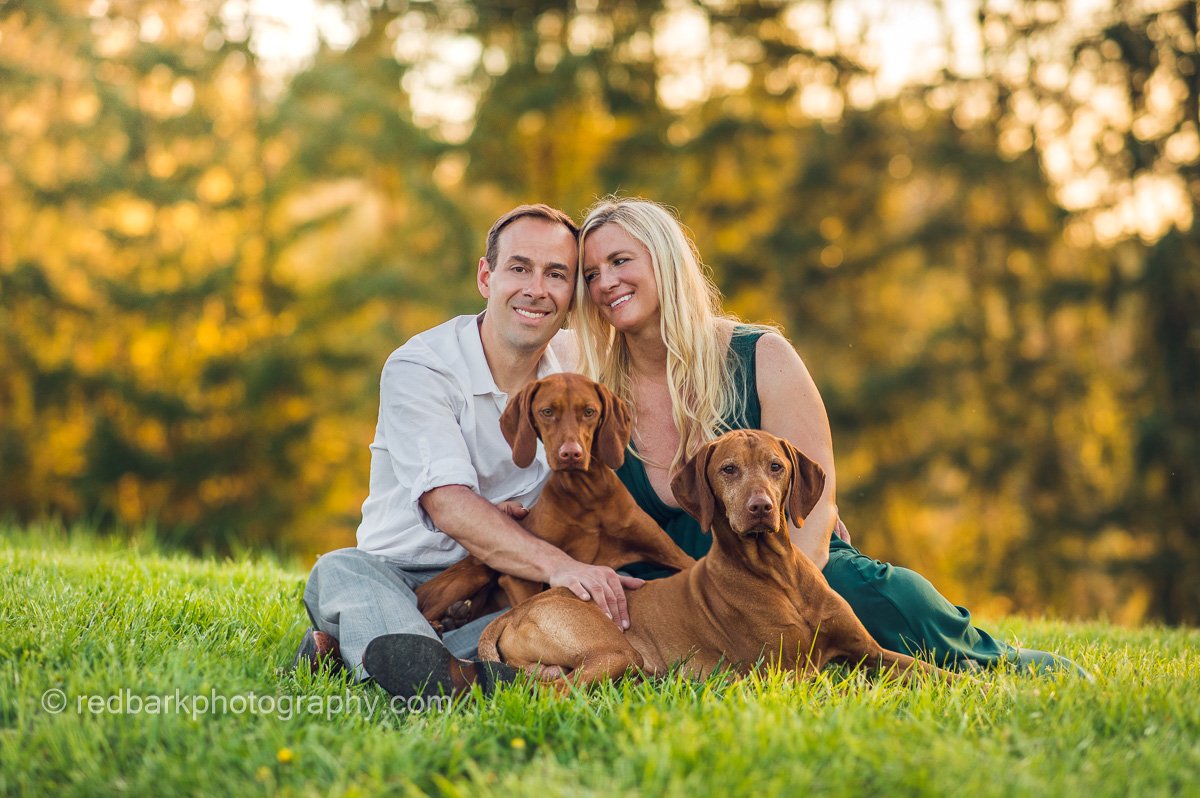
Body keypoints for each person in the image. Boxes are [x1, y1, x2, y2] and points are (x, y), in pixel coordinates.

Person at [572, 196, 1088, 675]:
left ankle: (996, 659)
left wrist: (784, 606)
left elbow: (816, 508)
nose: (605, 283)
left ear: (664, 260)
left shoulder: (759, 355)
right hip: (680, 600)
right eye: (591, 273)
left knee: (876, 597)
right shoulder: (594, 395)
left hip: (795, 567)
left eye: (620, 261)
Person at [293, 204, 644, 697]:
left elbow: (659, 333)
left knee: (562, 613)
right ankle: (456, 665)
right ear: (486, 276)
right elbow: (447, 502)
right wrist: (558, 564)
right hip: (405, 574)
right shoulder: (421, 367)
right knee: (340, 570)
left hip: (506, 583)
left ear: (572, 295)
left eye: (557, 274)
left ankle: (374, 657)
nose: (536, 289)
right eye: (519, 268)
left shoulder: (574, 365)